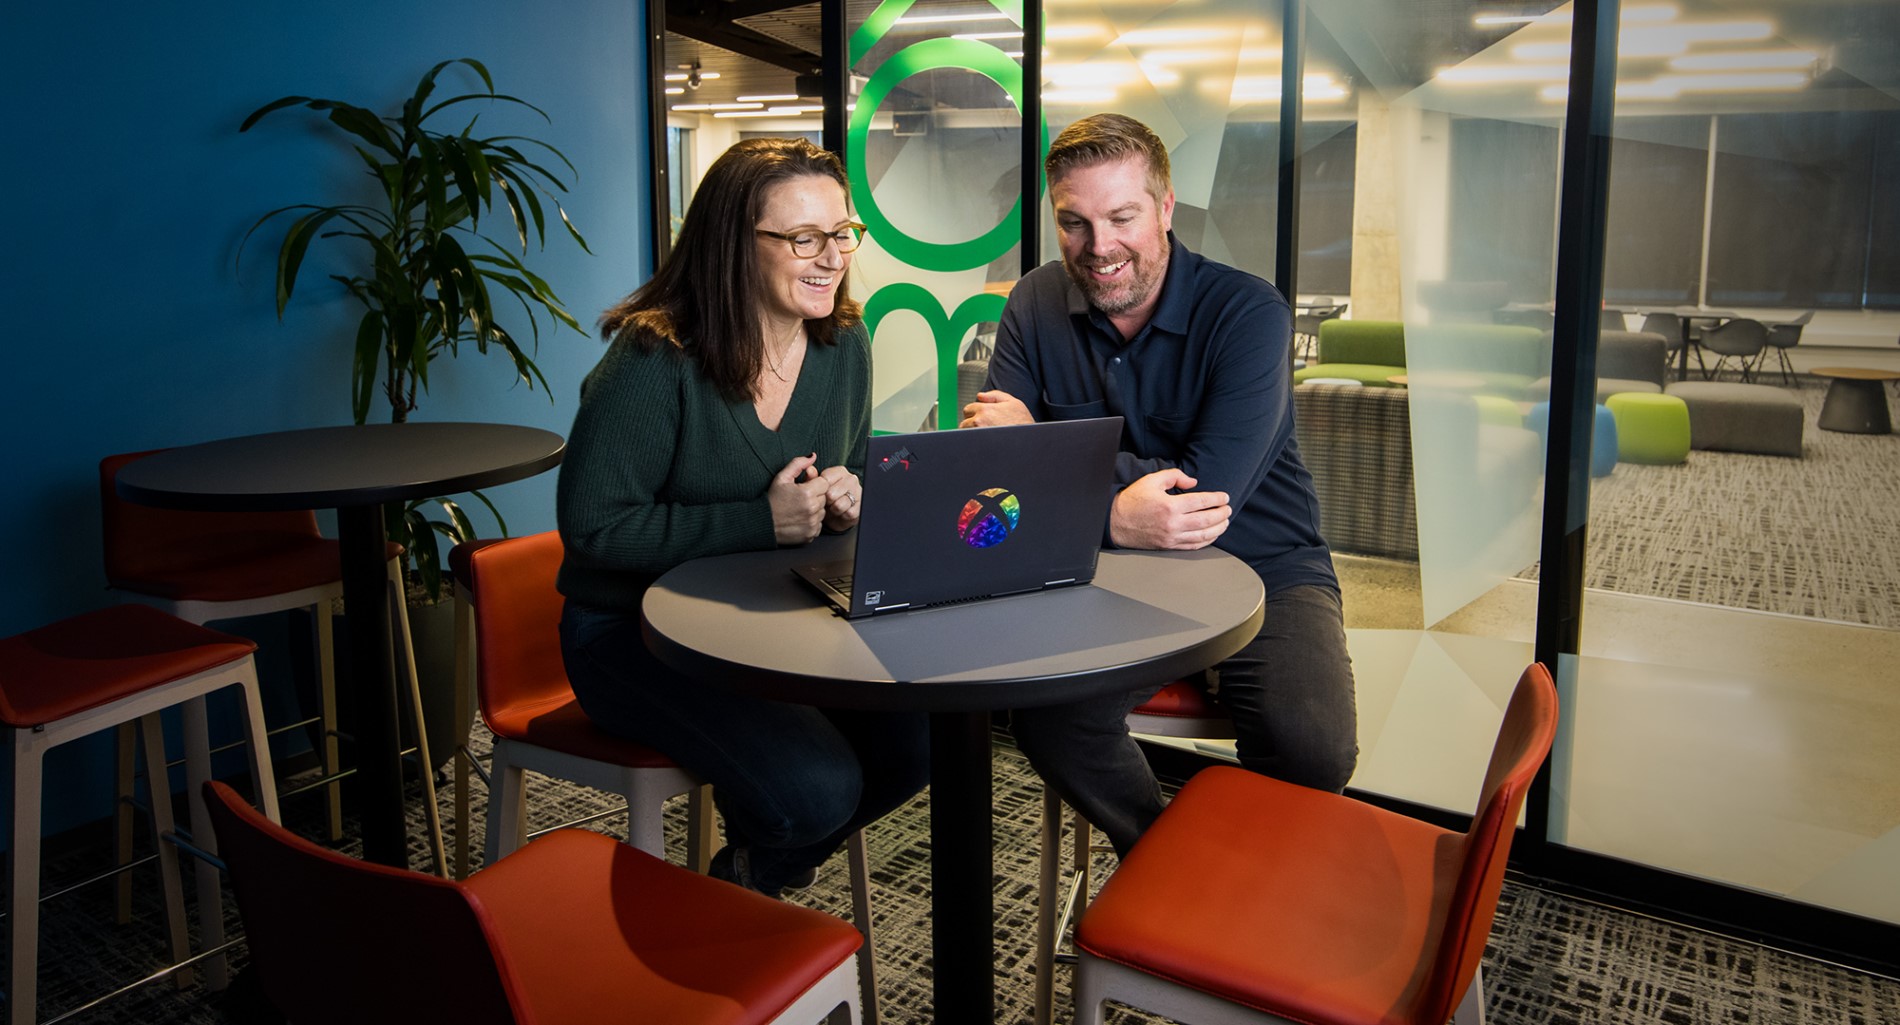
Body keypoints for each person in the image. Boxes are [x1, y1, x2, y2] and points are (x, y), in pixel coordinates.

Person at [960, 113, 1357, 856]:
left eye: (1121, 216)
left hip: (1261, 561)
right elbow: (991, 479)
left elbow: (1203, 502)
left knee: (1313, 748)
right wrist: (1113, 512)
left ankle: (1247, 884)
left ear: (1166, 208)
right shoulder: (1033, 304)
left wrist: (1043, 449)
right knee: (1047, 716)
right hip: (1098, 572)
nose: (1098, 246)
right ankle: (1166, 861)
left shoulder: (1248, 312)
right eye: (1073, 222)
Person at [556, 137, 928, 896]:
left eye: (842, 233)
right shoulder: (655, 358)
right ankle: (738, 890)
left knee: (918, 747)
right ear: (734, 243)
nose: (832, 257)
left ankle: (747, 872)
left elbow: (840, 477)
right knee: (816, 790)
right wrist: (763, 521)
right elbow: (593, 530)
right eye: (803, 238)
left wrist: (844, 497)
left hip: (774, 621)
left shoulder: (845, 344)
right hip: (633, 635)